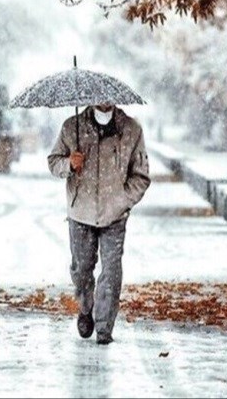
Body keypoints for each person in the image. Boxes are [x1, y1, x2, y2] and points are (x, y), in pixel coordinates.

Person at [48, 103, 151, 344]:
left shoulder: (131, 130)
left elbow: (142, 175)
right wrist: (69, 164)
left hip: (114, 215)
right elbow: (53, 162)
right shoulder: (72, 127)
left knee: (111, 271)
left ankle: (104, 328)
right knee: (82, 269)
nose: (103, 101)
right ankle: (86, 308)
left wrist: (123, 200)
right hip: (80, 212)